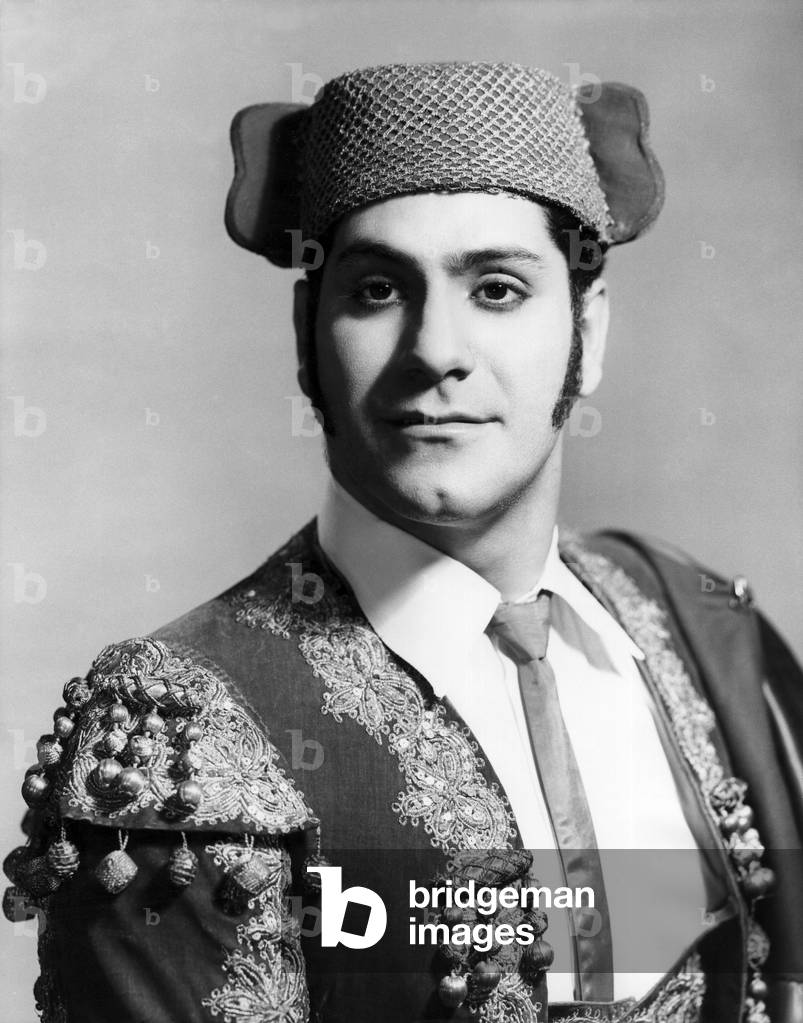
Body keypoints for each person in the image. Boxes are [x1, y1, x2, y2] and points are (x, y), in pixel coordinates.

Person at [4, 61, 803, 1023]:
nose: (436, 350)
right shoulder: (176, 731)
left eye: (498, 289)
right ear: (308, 334)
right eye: (379, 290)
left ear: (587, 332)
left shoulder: (689, 619)